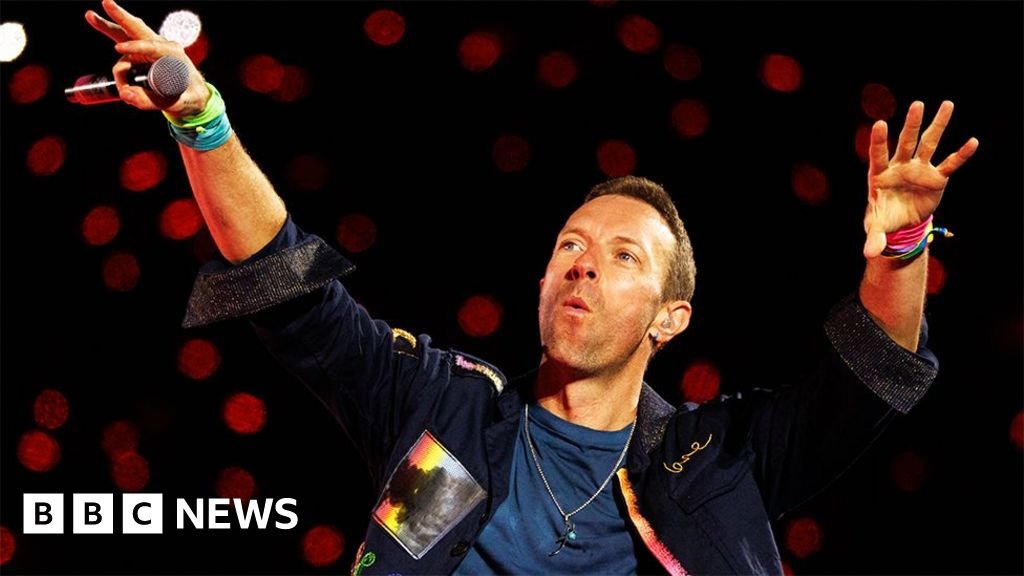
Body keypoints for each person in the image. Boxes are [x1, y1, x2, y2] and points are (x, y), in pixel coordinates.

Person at [85, 1, 979, 574]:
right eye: (570, 246)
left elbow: (870, 377)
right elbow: (290, 288)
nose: (584, 262)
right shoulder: (441, 407)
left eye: (624, 256)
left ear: (671, 318)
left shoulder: (719, 461)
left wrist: (902, 244)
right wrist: (202, 121)